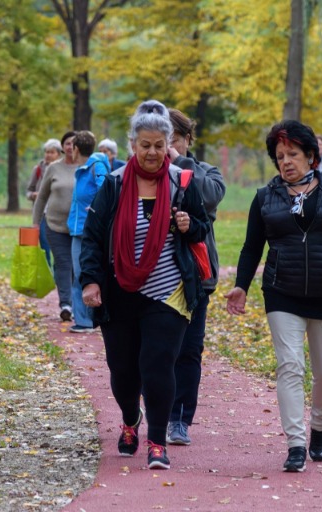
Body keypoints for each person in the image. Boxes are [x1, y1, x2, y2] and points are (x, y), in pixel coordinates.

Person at [224, 120, 322, 473]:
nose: (286, 161)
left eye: (292, 154)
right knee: (290, 366)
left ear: (310, 156)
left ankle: (319, 428)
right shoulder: (265, 197)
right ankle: (295, 444)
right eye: (280, 156)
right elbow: (251, 248)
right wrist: (242, 285)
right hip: (282, 292)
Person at [79, 100, 210, 470]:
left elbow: (202, 228)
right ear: (133, 145)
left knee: (158, 366)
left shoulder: (182, 182)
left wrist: (189, 225)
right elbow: (92, 237)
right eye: (145, 145)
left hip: (167, 291)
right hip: (119, 289)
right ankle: (129, 417)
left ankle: (156, 442)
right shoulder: (115, 184)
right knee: (122, 370)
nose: (152, 152)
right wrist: (90, 281)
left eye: (158, 145)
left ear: (168, 145)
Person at [165, 108, 226, 446]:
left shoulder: (206, 172)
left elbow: (211, 196)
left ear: (188, 139)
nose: (166, 147)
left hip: (196, 274)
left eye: (173, 139)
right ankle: (154, 408)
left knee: (189, 350)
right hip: (154, 273)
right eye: (161, 140)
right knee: (155, 349)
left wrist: (180, 164)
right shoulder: (144, 174)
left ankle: (179, 420)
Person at [32, 131, 78, 321]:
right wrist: (35, 223)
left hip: (79, 227)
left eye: (74, 143)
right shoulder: (53, 168)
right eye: (67, 143)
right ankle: (66, 303)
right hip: (54, 225)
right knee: (63, 262)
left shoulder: (86, 167)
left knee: (77, 265)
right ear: (62, 147)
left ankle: (77, 303)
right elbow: (42, 197)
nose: (70, 146)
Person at [67, 131, 110, 333]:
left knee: (84, 274)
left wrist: (95, 207)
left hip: (90, 230)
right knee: (77, 274)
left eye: (72, 147)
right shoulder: (82, 169)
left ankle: (87, 320)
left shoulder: (96, 166)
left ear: (76, 148)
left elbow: (106, 189)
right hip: (77, 229)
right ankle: (82, 318)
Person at [27, 138, 63, 266]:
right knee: (44, 245)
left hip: (58, 214)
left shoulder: (63, 169)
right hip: (42, 214)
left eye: (52, 152)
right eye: (47, 152)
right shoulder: (38, 169)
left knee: (58, 247)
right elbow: (29, 191)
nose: (48, 155)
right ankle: (48, 272)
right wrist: (33, 195)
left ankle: (59, 272)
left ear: (58, 154)